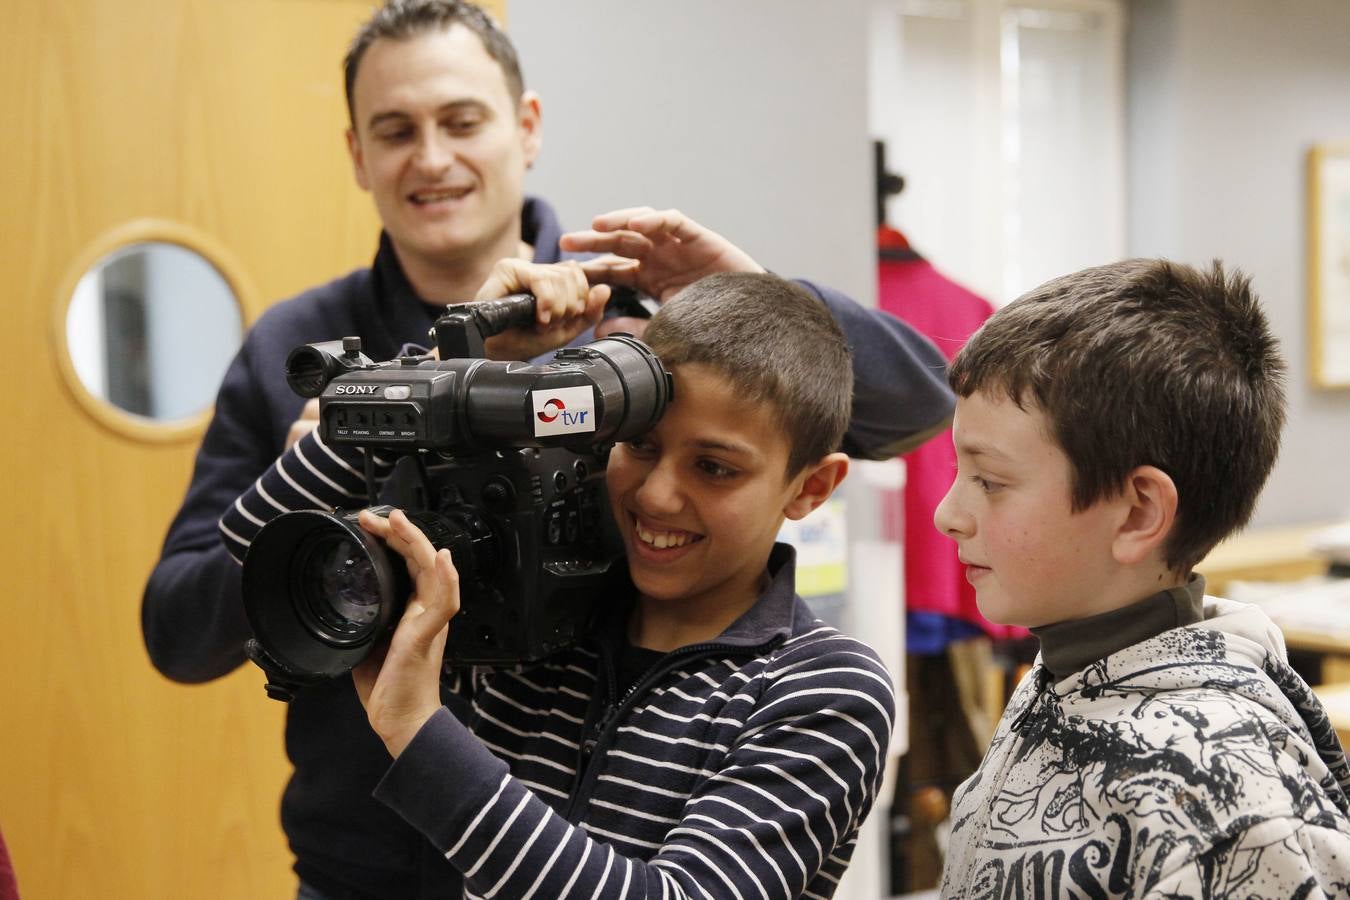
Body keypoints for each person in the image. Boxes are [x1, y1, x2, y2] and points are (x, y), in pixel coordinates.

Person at [141, 2, 953, 897]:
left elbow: (917, 406)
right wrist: (336, 458)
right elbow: (180, 634)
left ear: (525, 128)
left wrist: (739, 290)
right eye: (395, 130)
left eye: (461, 120)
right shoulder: (297, 349)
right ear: (357, 155)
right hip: (357, 863)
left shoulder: (635, 333)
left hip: (586, 831)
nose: (433, 157)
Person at [220, 271, 897, 897]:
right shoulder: (546, 622)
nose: (658, 496)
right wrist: (445, 377)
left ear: (811, 487)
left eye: (715, 468)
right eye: (641, 446)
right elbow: (251, 541)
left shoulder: (827, 691)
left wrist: (419, 732)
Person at [933, 258, 1350, 896]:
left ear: (1137, 513)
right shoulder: (1065, 669)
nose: (947, 515)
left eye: (990, 481)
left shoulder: (1227, 806)